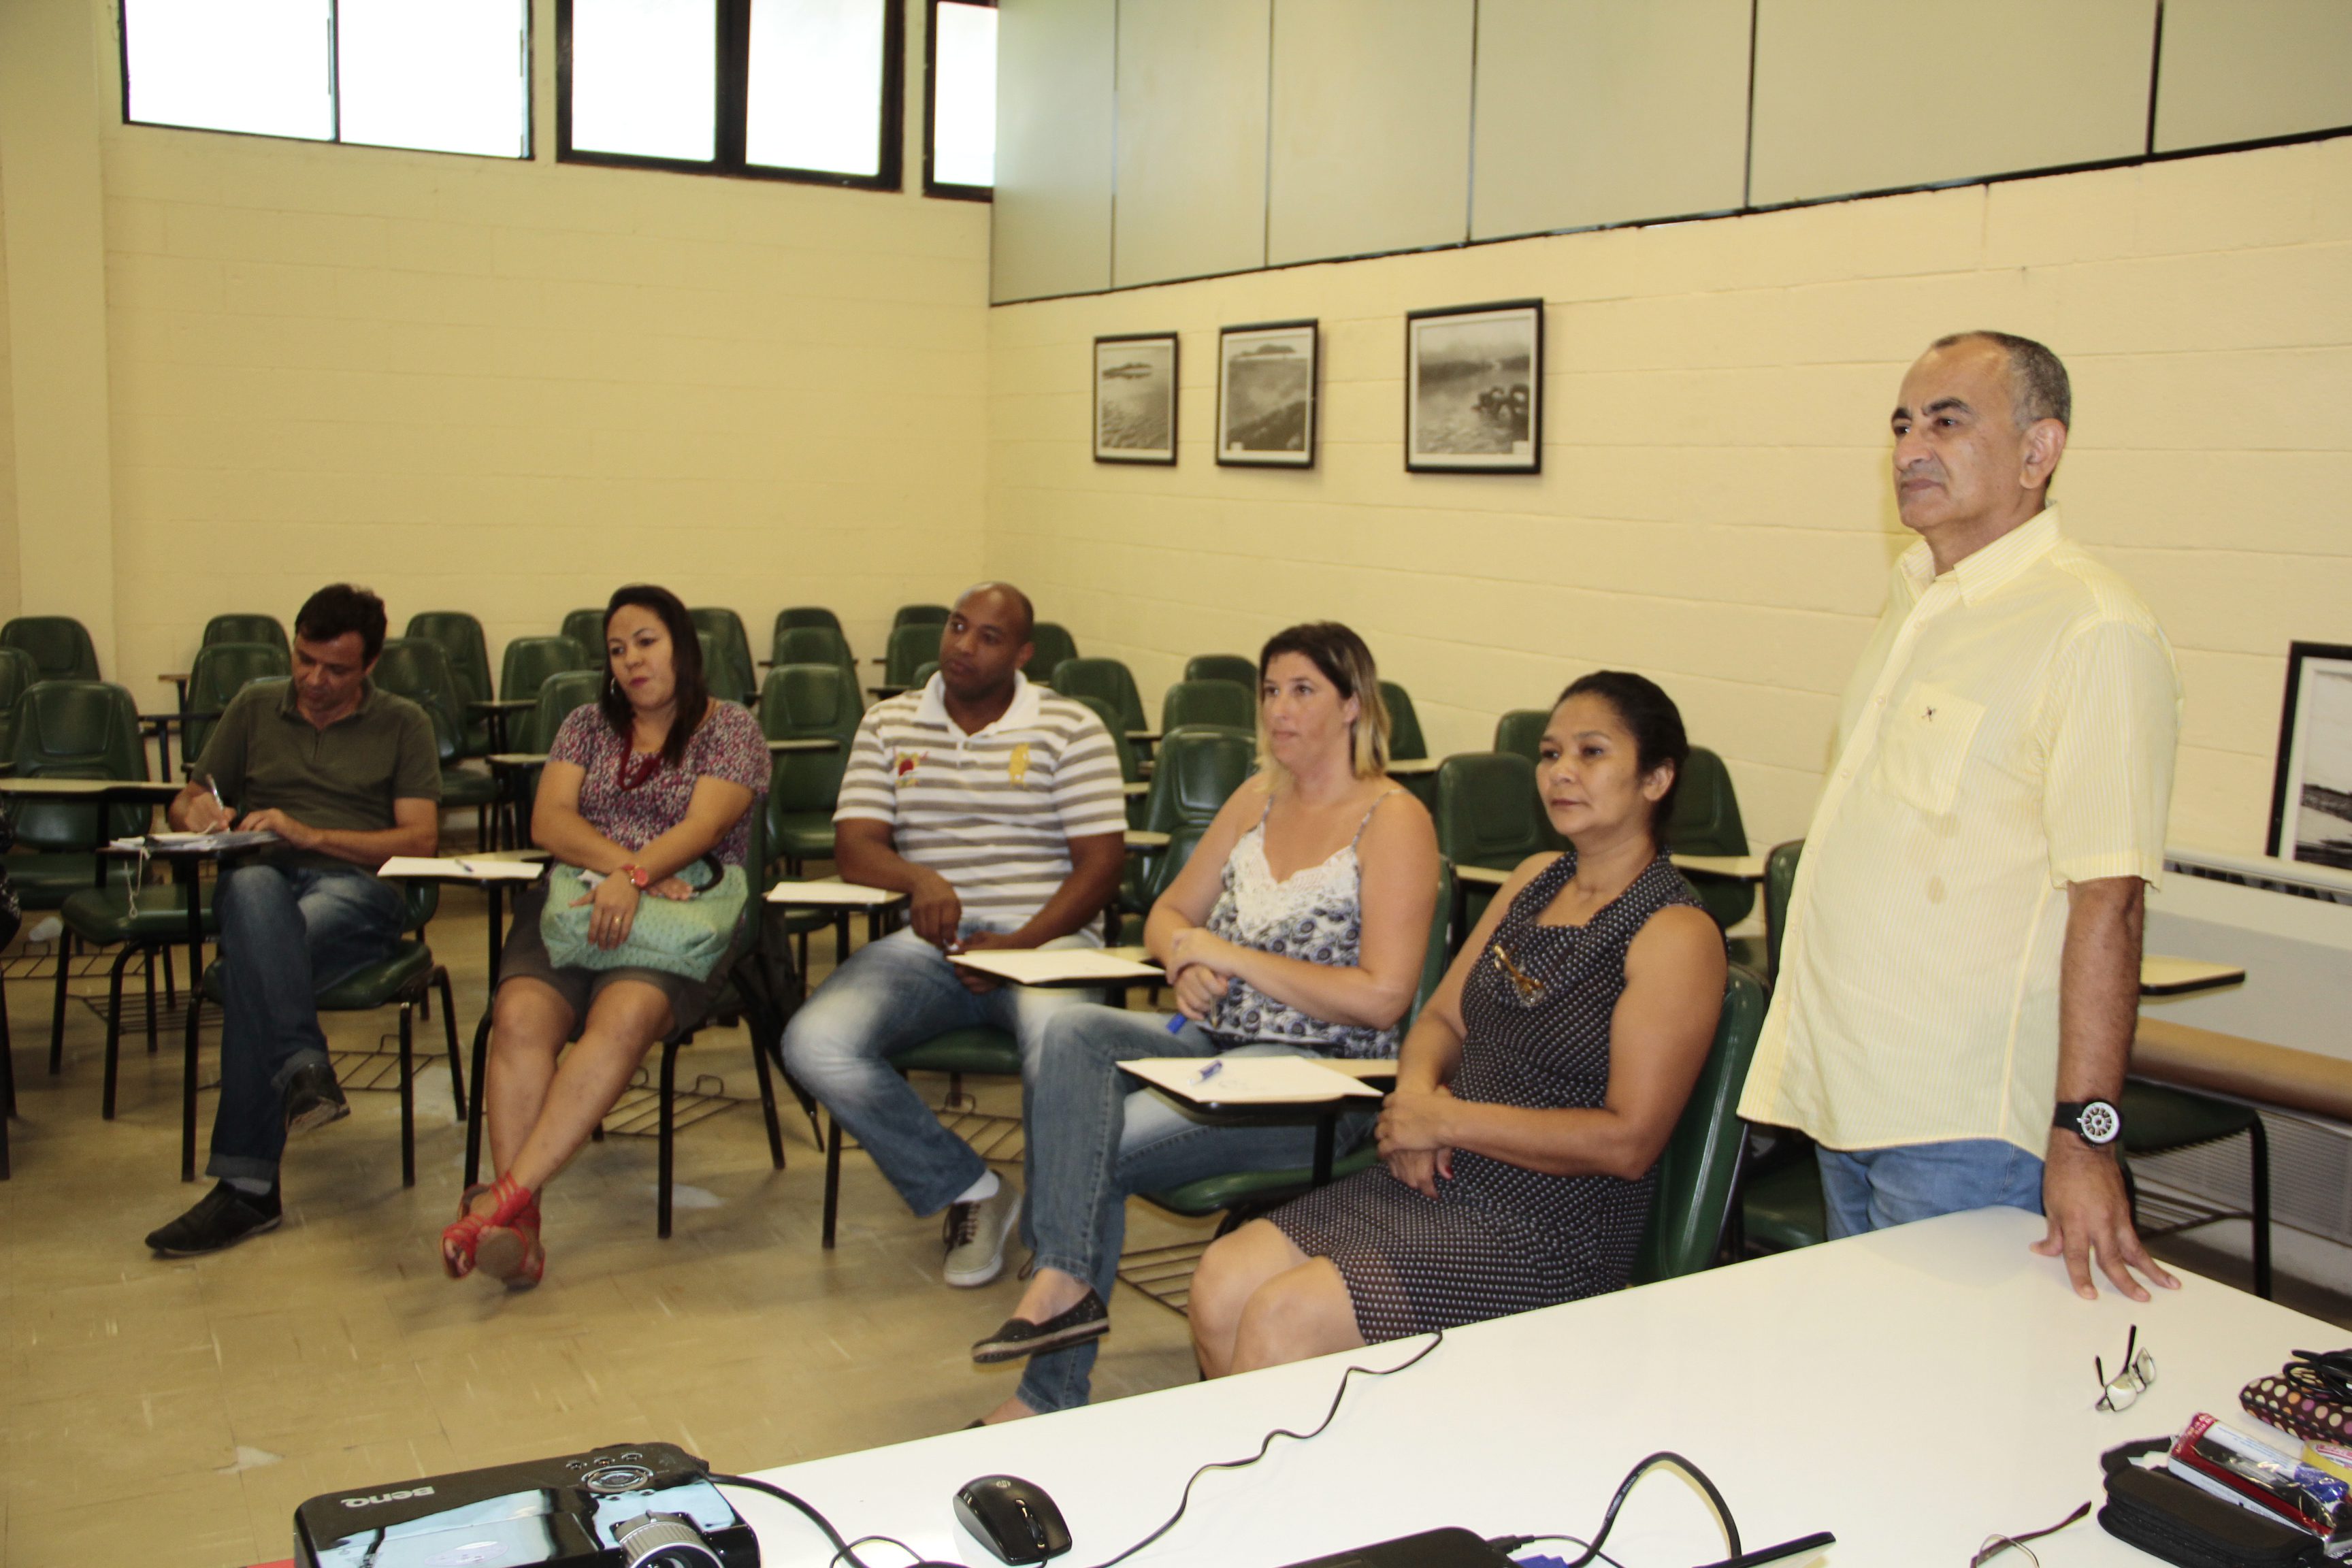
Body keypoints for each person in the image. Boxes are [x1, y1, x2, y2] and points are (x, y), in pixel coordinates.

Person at [1737, 331, 2184, 1302]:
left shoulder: (2092, 627)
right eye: (1901, 424)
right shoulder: (1917, 602)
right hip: (1851, 1094)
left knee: (1952, 1401)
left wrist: (2085, 1136)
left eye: (1947, 421)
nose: (1908, 450)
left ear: (2039, 452)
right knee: (1865, 1381)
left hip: (1965, 1121)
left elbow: (2109, 903)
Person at [1187, 672, 1726, 1376]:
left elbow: (1628, 1141)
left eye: (1591, 754)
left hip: (1551, 1227)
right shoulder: (1535, 878)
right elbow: (1440, 1019)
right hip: (1443, 1173)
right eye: (1550, 753)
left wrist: (1445, 1123)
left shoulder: (1674, 931)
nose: (1561, 772)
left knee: (1283, 1317)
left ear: (1656, 778)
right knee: (1221, 1283)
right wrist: (1417, 1099)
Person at [969, 622, 1440, 1424]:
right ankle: (1067, 1285)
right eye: (1270, 691)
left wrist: (1230, 954)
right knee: (1070, 1031)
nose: (1279, 710)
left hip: (1322, 1081)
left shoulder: (1394, 818)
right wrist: (1185, 960)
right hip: (1216, 1049)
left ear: (1354, 706)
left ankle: (1047, 1384)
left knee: (1095, 1152)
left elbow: (1383, 997)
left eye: (1303, 692)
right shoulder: (1256, 798)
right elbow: (1168, 914)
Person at [779, 582, 1127, 1288]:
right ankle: (970, 1189)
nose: (963, 646)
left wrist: (1024, 944)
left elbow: (1102, 866)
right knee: (813, 1043)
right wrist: (919, 880)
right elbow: (855, 847)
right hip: (932, 950)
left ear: (1024, 652)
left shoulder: (1071, 728)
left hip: (1048, 942)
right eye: (958, 627)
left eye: (988, 637)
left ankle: (1058, 1243)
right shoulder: (890, 723)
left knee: (1058, 1048)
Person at [442, 585, 768, 1288]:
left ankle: (503, 1203)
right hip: (578, 900)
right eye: (617, 650)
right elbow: (549, 822)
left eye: (645, 642)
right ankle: (519, 1226)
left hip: (681, 919)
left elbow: (705, 827)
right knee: (520, 1017)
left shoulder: (731, 728)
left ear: (682, 645)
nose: (629, 661)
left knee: (620, 1019)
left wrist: (641, 878)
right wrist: (624, 871)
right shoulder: (586, 725)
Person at [144, 585, 442, 1256]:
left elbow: (420, 841)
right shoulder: (255, 705)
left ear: (369, 667)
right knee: (252, 892)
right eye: (304, 660)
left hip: (357, 891)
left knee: (256, 958)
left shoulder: (404, 724)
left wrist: (307, 833)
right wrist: (198, 816)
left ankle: (247, 1192)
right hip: (263, 883)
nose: (314, 679)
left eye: (335, 669)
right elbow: (187, 797)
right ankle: (304, 1068)